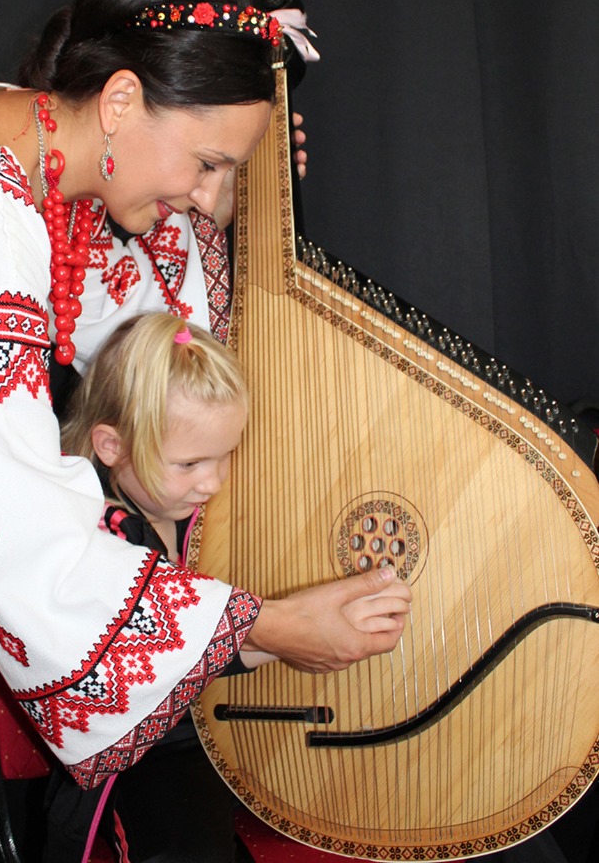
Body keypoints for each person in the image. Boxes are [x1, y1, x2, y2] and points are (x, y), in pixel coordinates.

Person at [0, 0, 411, 832]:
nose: (209, 198)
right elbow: (22, 541)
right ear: (120, 101)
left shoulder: (39, 155)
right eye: (208, 163)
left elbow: (163, 330)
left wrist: (250, 199)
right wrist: (263, 628)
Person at [49, 310, 412, 862]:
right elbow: (156, 658)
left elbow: (217, 636)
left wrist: (298, 634)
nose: (213, 482)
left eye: (226, 456)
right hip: (141, 752)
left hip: (220, 726)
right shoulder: (92, 535)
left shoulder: (200, 508)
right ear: (111, 446)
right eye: (189, 463)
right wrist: (284, 635)